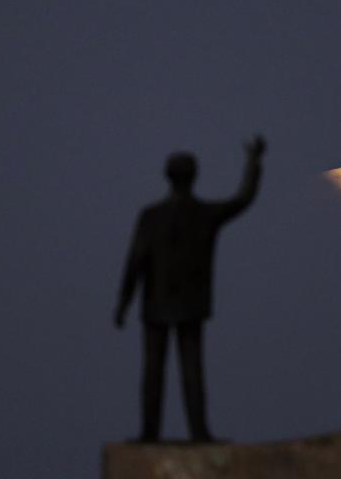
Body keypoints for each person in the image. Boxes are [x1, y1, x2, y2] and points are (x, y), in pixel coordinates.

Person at [114, 136, 266, 442]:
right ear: (193, 176)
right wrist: (253, 162)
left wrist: (124, 302)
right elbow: (243, 198)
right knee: (190, 369)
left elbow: (135, 262)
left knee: (155, 371)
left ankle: (150, 433)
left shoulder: (151, 216)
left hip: (157, 303)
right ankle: (197, 432)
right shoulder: (203, 214)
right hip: (188, 303)